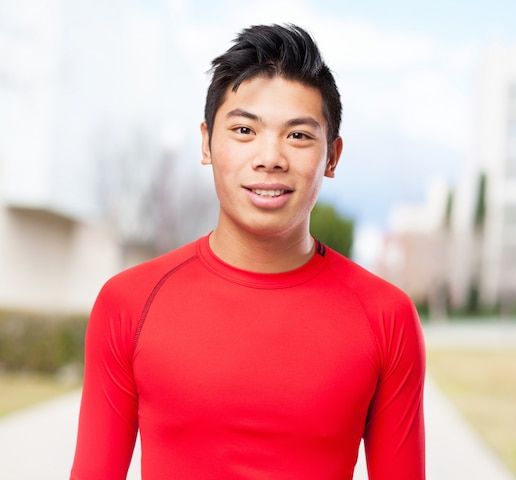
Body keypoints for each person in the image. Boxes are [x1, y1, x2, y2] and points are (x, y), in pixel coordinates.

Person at [70, 23, 426, 479]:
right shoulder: (129, 304)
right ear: (206, 142)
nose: (270, 157)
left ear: (332, 157)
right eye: (244, 129)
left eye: (298, 135)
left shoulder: (386, 318)